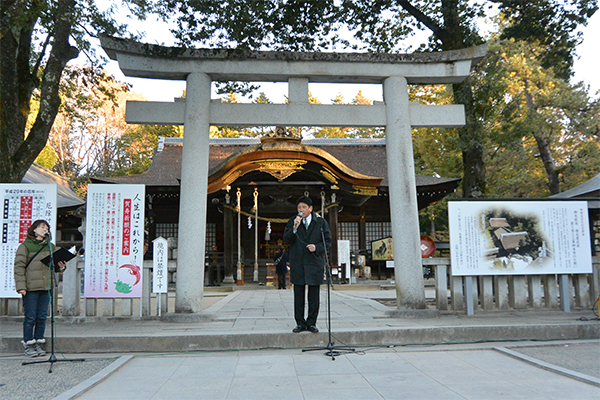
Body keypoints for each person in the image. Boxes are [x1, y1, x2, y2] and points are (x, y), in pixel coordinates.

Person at [13, 220, 66, 357]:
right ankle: (28, 344)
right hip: (30, 288)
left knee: (42, 317)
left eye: (46, 227)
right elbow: (19, 267)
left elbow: (55, 267)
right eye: (42, 227)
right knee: (30, 317)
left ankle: (39, 343)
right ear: (34, 230)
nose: (45, 229)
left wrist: (61, 265)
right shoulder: (25, 246)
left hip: (45, 287)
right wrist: (21, 287)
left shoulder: (51, 246)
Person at [283, 196, 332, 333]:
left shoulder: (320, 222)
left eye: (304, 207)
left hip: (314, 263)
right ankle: (300, 323)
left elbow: (328, 242)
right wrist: (294, 228)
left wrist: (317, 247)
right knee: (298, 295)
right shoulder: (293, 221)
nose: (301, 210)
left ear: (310, 208)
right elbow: (286, 239)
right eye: (299, 207)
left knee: (313, 296)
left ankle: (311, 322)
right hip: (298, 262)